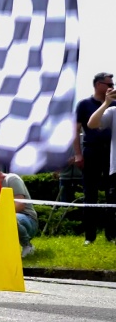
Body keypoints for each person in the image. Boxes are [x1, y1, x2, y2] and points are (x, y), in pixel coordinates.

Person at [74, 72, 114, 245]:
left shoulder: (114, 104)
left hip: (111, 153)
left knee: (112, 195)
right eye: (108, 83)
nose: (112, 86)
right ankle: (89, 236)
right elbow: (76, 130)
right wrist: (78, 153)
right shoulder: (84, 104)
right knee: (90, 194)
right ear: (98, 85)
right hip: (91, 151)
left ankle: (111, 235)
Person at [0, 163, 38, 258]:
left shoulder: (12, 179)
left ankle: (28, 246)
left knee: (6, 218)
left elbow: (20, 205)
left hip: (27, 219)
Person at [85, 87, 116, 244]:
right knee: (113, 204)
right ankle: (111, 237)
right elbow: (92, 124)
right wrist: (106, 103)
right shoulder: (113, 111)